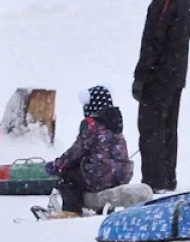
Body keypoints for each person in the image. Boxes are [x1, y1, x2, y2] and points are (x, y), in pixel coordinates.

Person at [132, 0, 190, 193]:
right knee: (168, 128)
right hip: (175, 76)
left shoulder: (166, 2)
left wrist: (141, 76)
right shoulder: (185, 0)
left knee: (151, 129)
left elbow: (152, 43)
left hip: (158, 76)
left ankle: (154, 181)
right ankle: (167, 178)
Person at [41, 86, 134, 219]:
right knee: (95, 168)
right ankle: (103, 209)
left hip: (100, 175)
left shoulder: (91, 124)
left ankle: (71, 210)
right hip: (122, 175)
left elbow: (76, 151)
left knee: (68, 175)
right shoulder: (114, 122)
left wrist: (57, 165)